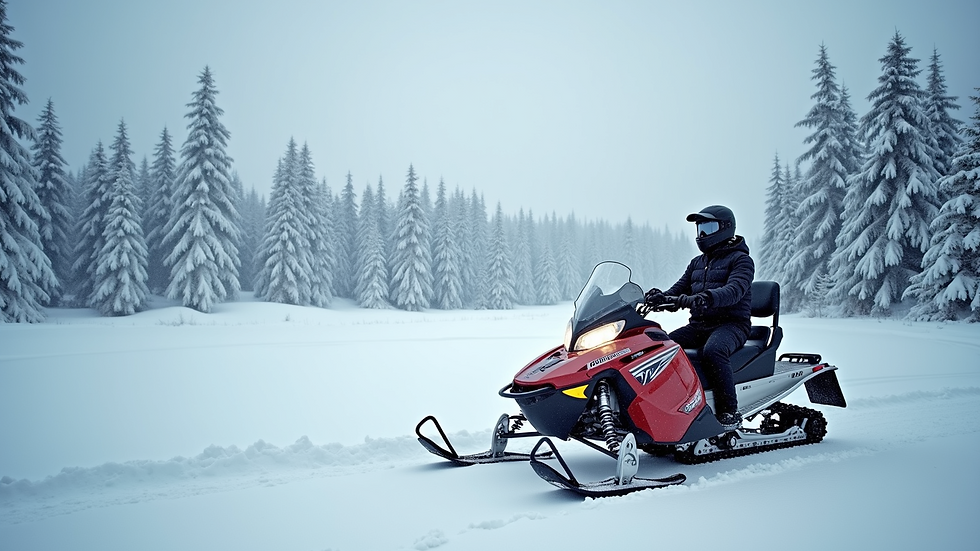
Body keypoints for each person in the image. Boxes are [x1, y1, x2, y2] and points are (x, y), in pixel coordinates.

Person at [646, 205, 754, 431]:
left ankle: (728, 412)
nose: (702, 235)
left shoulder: (741, 260)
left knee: (713, 351)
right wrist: (659, 298)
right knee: (660, 346)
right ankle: (670, 404)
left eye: (708, 228)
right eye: (700, 229)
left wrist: (703, 298)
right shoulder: (697, 262)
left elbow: (734, 290)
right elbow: (678, 288)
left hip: (732, 325)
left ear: (725, 228)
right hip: (699, 325)